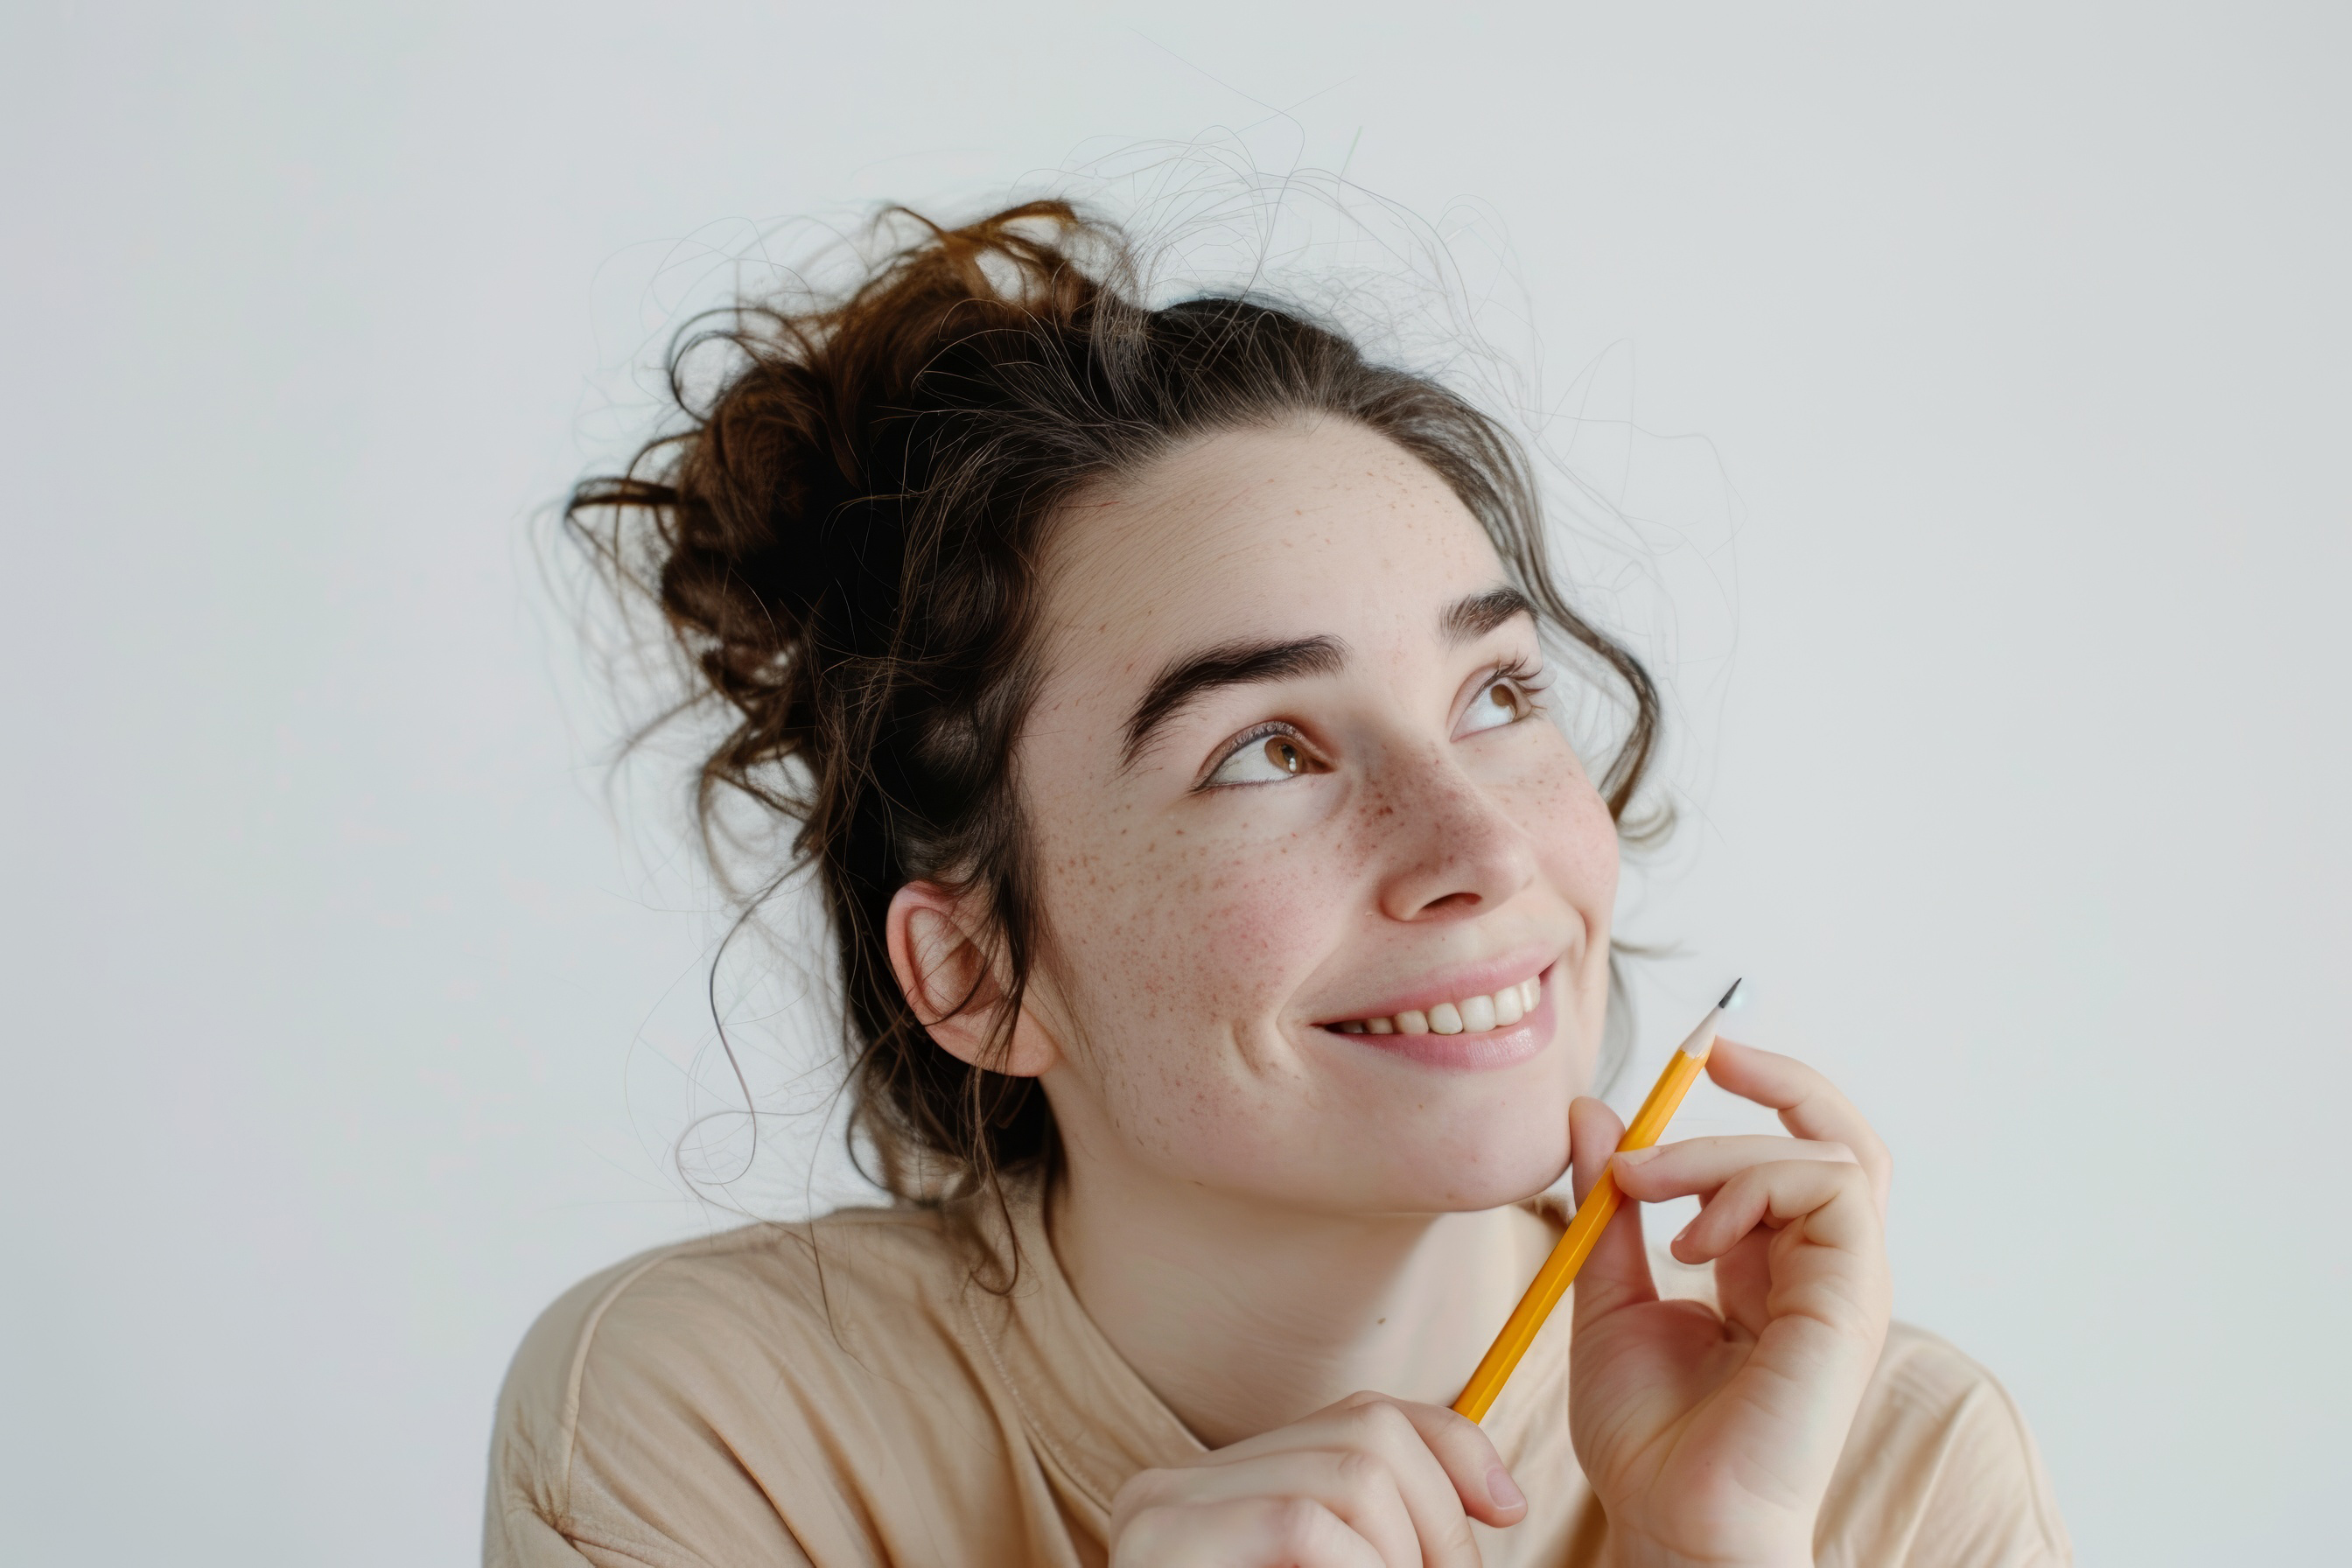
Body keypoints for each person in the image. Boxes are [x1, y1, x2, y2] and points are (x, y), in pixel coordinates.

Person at [486, 201, 2069, 1567]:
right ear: (979, 973)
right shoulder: (724, 1427)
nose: (1485, 851)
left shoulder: (1887, 1474)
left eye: (1499, 697)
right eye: (1267, 752)